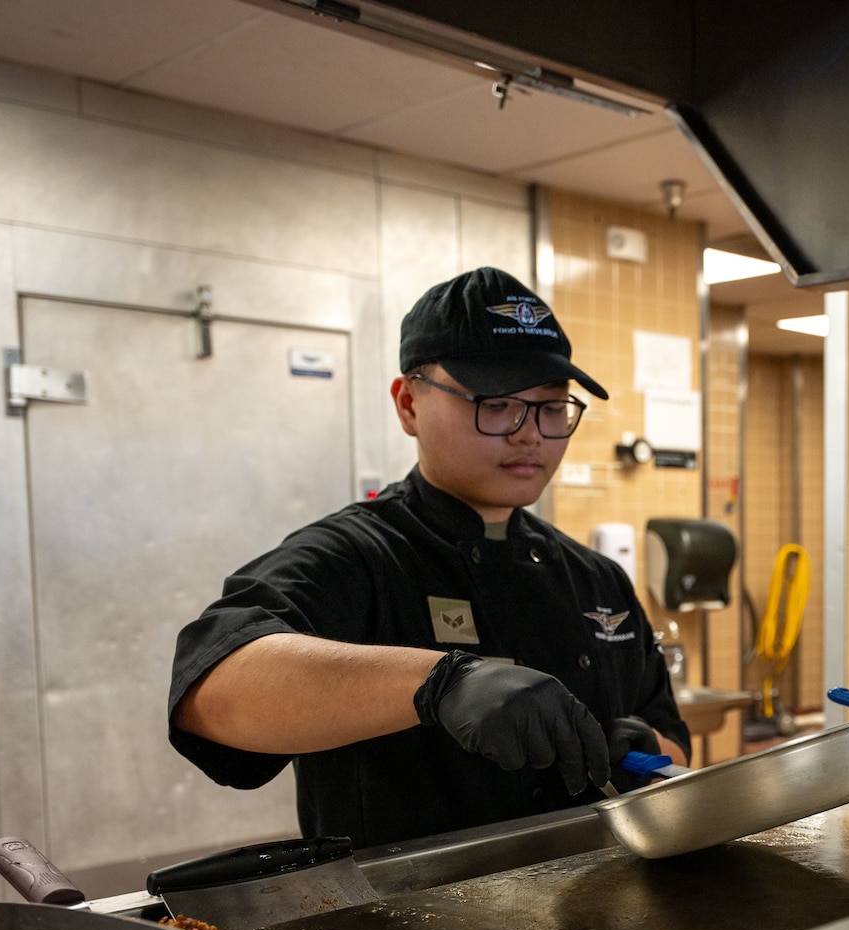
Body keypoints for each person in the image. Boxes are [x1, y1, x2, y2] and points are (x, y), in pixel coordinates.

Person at [168, 267, 689, 848]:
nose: (529, 435)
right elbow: (210, 692)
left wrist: (645, 750)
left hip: (595, 914)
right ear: (408, 403)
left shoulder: (596, 579)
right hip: (406, 924)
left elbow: (672, 738)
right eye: (495, 404)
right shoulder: (356, 556)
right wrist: (441, 685)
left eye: (549, 407)